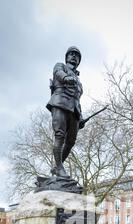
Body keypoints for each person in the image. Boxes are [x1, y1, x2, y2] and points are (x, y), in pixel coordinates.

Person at [46, 46, 84, 177]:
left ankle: (57, 166)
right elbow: (58, 74)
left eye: (76, 55)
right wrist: (67, 78)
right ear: (67, 57)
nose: (74, 56)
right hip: (60, 103)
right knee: (60, 135)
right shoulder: (60, 66)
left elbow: (78, 99)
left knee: (71, 141)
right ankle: (60, 168)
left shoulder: (79, 82)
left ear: (78, 61)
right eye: (71, 54)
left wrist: (81, 117)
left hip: (74, 111)